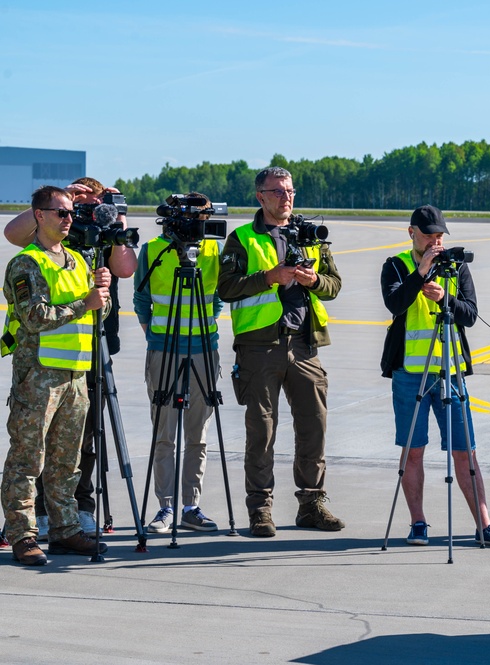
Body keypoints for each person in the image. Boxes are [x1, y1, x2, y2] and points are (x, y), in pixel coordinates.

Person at [3, 176, 137, 541]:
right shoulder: (27, 263)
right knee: (28, 459)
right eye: (60, 212)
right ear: (39, 216)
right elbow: (34, 317)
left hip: (77, 374)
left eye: (71, 212)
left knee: (67, 461)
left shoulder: (79, 259)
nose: (68, 218)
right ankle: (22, 533)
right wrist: (86, 303)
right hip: (40, 374)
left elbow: (99, 316)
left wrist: (103, 296)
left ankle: (65, 528)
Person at [218, 166, 344, 538]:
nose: (285, 198)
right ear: (260, 196)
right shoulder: (243, 238)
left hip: (305, 346)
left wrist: (313, 280)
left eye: (289, 191)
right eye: (276, 192)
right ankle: (260, 509)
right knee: (262, 432)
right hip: (260, 348)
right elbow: (226, 287)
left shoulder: (310, 235)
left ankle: (312, 504)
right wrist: (269, 278)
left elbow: (334, 285)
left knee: (314, 429)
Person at [380, 205, 490, 549]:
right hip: (410, 373)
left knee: (464, 450)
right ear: (412, 233)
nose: (435, 242)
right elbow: (395, 304)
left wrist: (446, 298)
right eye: (429, 235)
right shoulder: (395, 264)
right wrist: (420, 273)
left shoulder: (456, 267)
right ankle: (418, 522)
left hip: (449, 371)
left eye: (439, 236)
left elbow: (470, 314)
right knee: (414, 451)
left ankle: (484, 524)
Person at [134, 193, 223, 534]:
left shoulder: (214, 247)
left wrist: (207, 322)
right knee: (164, 431)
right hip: (164, 346)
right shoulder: (154, 250)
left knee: (197, 432)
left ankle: (191, 505)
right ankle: (165, 507)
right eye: (193, 218)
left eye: (203, 218)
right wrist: (154, 336)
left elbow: (216, 297)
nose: (199, 225)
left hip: (204, 346)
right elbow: (142, 297)